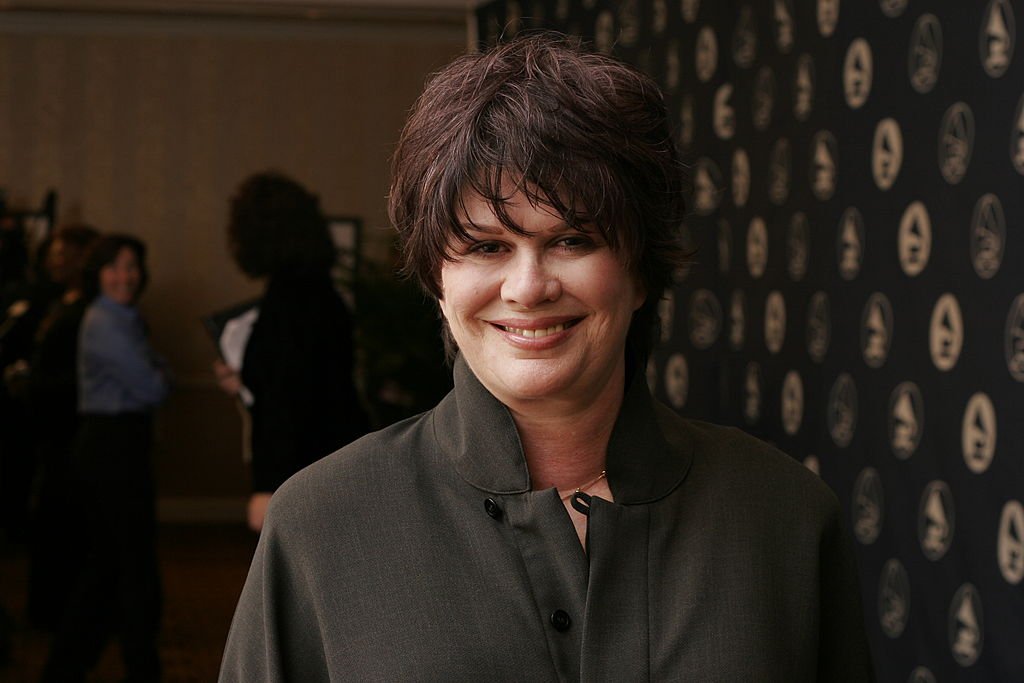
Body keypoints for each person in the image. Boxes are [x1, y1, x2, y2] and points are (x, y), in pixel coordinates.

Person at [220, 35, 874, 681]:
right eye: (485, 246)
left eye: (572, 238)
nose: (528, 287)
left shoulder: (786, 514)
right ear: (435, 278)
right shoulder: (320, 523)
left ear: (640, 272)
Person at [42, 234, 169, 682]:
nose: (125, 276)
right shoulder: (106, 321)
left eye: (131, 266)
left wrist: (156, 372)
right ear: (98, 274)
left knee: (111, 566)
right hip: (109, 447)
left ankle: (67, 668)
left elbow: (153, 379)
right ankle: (136, 668)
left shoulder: (125, 317)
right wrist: (157, 371)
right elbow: (154, 386)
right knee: (125, 567)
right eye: (114, 267)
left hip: (121, 446)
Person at [213, 172, 368, 532]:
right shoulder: (321, 294)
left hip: (307, 469)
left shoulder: (289, 301)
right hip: (336, 455)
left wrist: (268, 486)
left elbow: (285, 401)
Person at [23, 223, 100, 629]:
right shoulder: (55, 301)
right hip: (45, 430)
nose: (56, 261)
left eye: (64, 254)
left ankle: (60, 614)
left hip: (70, 432)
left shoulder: (89, 307)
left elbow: (85, 377)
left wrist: (35, 382)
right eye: (52, 254)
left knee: (62, 522)